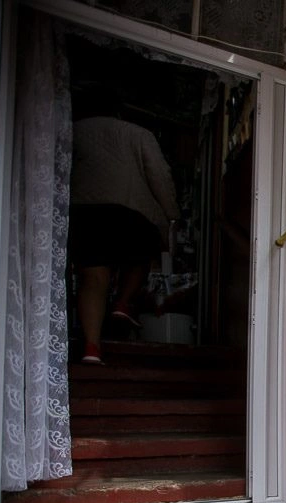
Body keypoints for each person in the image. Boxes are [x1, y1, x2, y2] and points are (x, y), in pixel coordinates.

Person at [69, 113, 180, 364]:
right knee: (140, 258)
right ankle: (123, 301)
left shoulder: (74, 130)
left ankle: (91, 347)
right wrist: (172, 212)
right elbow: (159, 175)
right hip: (131, 209)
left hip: (87, 210)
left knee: (93, 277)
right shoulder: (139, 134)